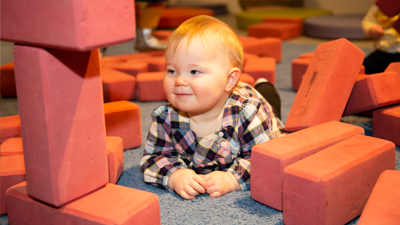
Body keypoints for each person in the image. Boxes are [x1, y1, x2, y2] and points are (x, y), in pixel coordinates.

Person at [140, 15, 285, 200]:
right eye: (171, 71)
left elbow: (265, 161)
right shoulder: (165, 118)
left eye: (194, 71)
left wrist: (232, 178)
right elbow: (153, 159)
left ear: (229, 79)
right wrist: (174, 175)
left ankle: (265, 88)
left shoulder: (249, 112)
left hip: (256, 104)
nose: (179, 80)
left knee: (272, 109)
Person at [362, 1, 400, 74]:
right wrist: (372, 29)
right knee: (362, 70)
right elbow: (367, 21)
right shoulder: (381, 5)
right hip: (384, 50)